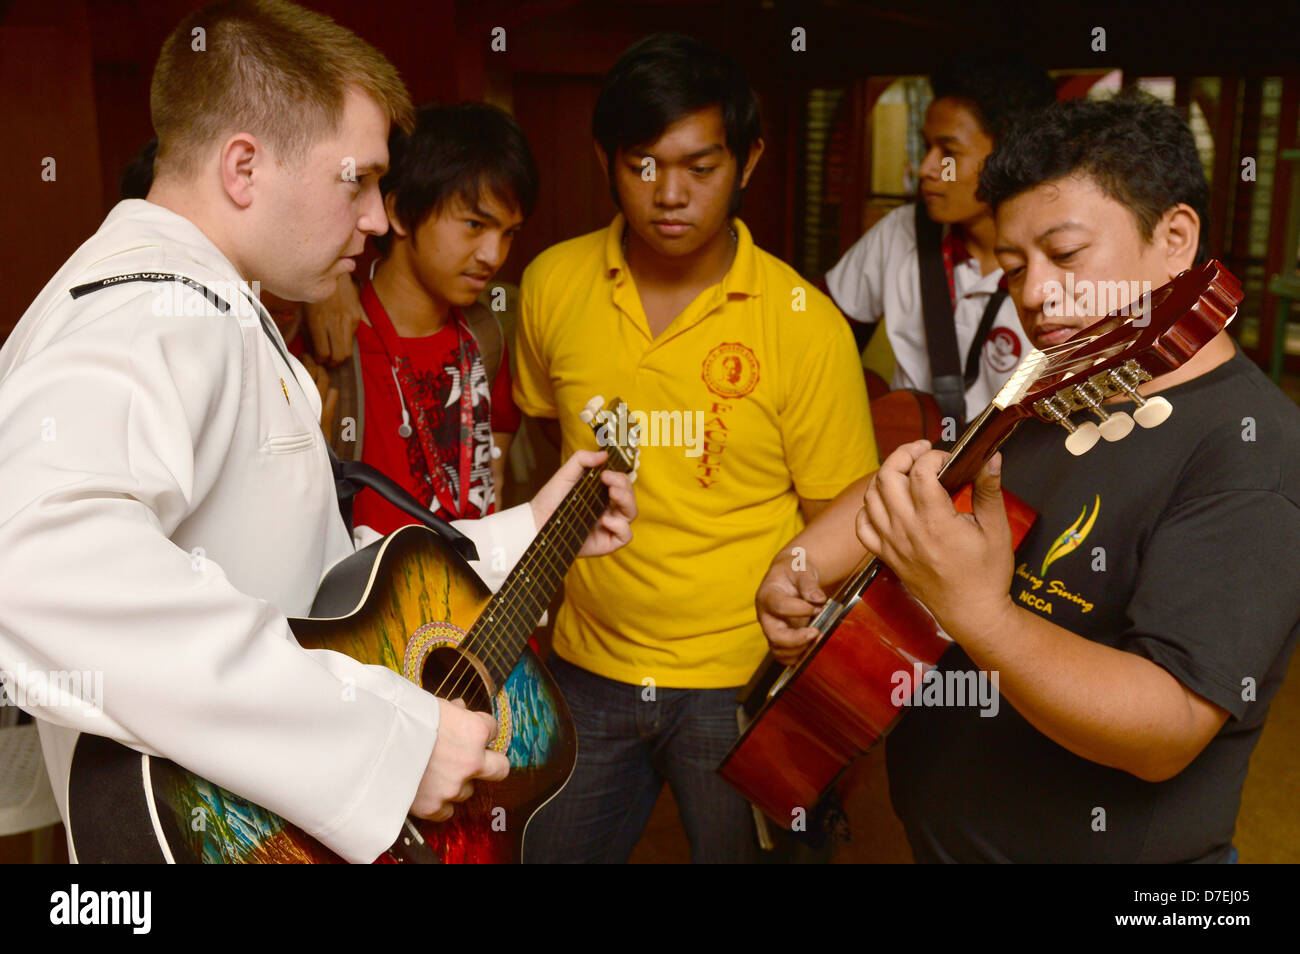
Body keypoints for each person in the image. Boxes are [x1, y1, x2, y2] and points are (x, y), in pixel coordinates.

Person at [0, 0, 634, 865]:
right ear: (244, 167)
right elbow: (38, 563)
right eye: (358, 180)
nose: (378, 217)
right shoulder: (154, 309)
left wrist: (527, 531)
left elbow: (317, 594)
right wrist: (384, 744)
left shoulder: (217, 301)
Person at [757, 91, 1300, 863]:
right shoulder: (1066, 382)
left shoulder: (1253, 451)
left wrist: (979, 613)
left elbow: (1167, 730)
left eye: (1066, 254)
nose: (1036, 293)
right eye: (1015, 267)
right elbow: (930, 474)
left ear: (1175, 237)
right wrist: (798, 564)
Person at [513, 33, 877, 863]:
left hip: (741, 680)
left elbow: (844, 521)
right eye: (642, 163)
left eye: (699, 166)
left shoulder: (804, 324)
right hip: (586, 664)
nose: (668, 194)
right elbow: (541, 443)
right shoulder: (552, 285)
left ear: (748, 161)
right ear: (607, 159)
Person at [309, 103, 535, 533]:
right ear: (398, 213)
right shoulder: (331, 338)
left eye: (509, 233)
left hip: (469, 590)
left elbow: (494, 475)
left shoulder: (486, 336)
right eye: (474, 225)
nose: (493, 255)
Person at [826, 52, 1055, 425]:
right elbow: (813, 342)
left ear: (1010, 154)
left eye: (949, 152)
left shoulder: (1064, 260)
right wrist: (883, 410)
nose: (927, 168)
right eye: (927, 147)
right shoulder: (901, 232)